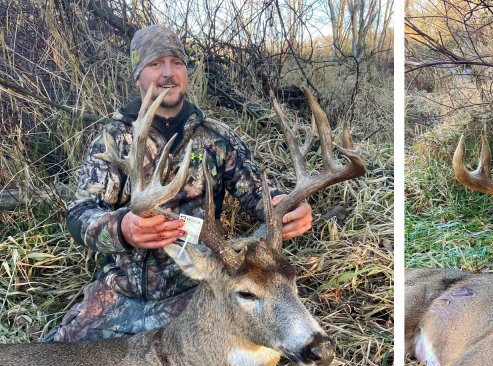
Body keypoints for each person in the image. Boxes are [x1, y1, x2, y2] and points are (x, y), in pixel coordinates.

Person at [44, 25, 313, 342]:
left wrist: (288, 207)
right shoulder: (114, 138)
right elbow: (79, 216)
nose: (168, 73)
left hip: (195, 291)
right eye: (155, 64)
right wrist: (122, 228)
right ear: (138, 75)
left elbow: (259, 196)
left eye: (176, 62)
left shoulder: (217, 137)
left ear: (186, 71)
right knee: (56, 358)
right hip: (120, 293)